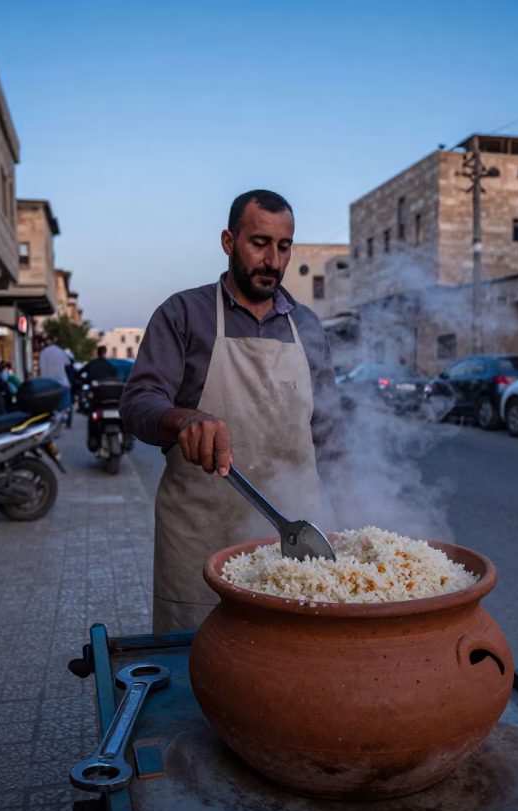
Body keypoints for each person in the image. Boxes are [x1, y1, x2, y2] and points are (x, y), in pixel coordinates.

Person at [122, 189, 356, 632]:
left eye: (283, 247)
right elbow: (138, 401)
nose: (273, 260)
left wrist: (352, 526)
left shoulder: (306, 325)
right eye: (259, 243)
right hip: (201, 539)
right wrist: (183, 418)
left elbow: (330, 437)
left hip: (294, 544)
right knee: (197, 666)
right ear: (229, 241)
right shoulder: (183, 314)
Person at [38, 338, 73, 415]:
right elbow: (68, 363)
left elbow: (42, 369)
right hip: (62, 382)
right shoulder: (60, 351)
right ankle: (66, 419)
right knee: (66, 405)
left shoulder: (43, 353)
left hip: (49, 384)